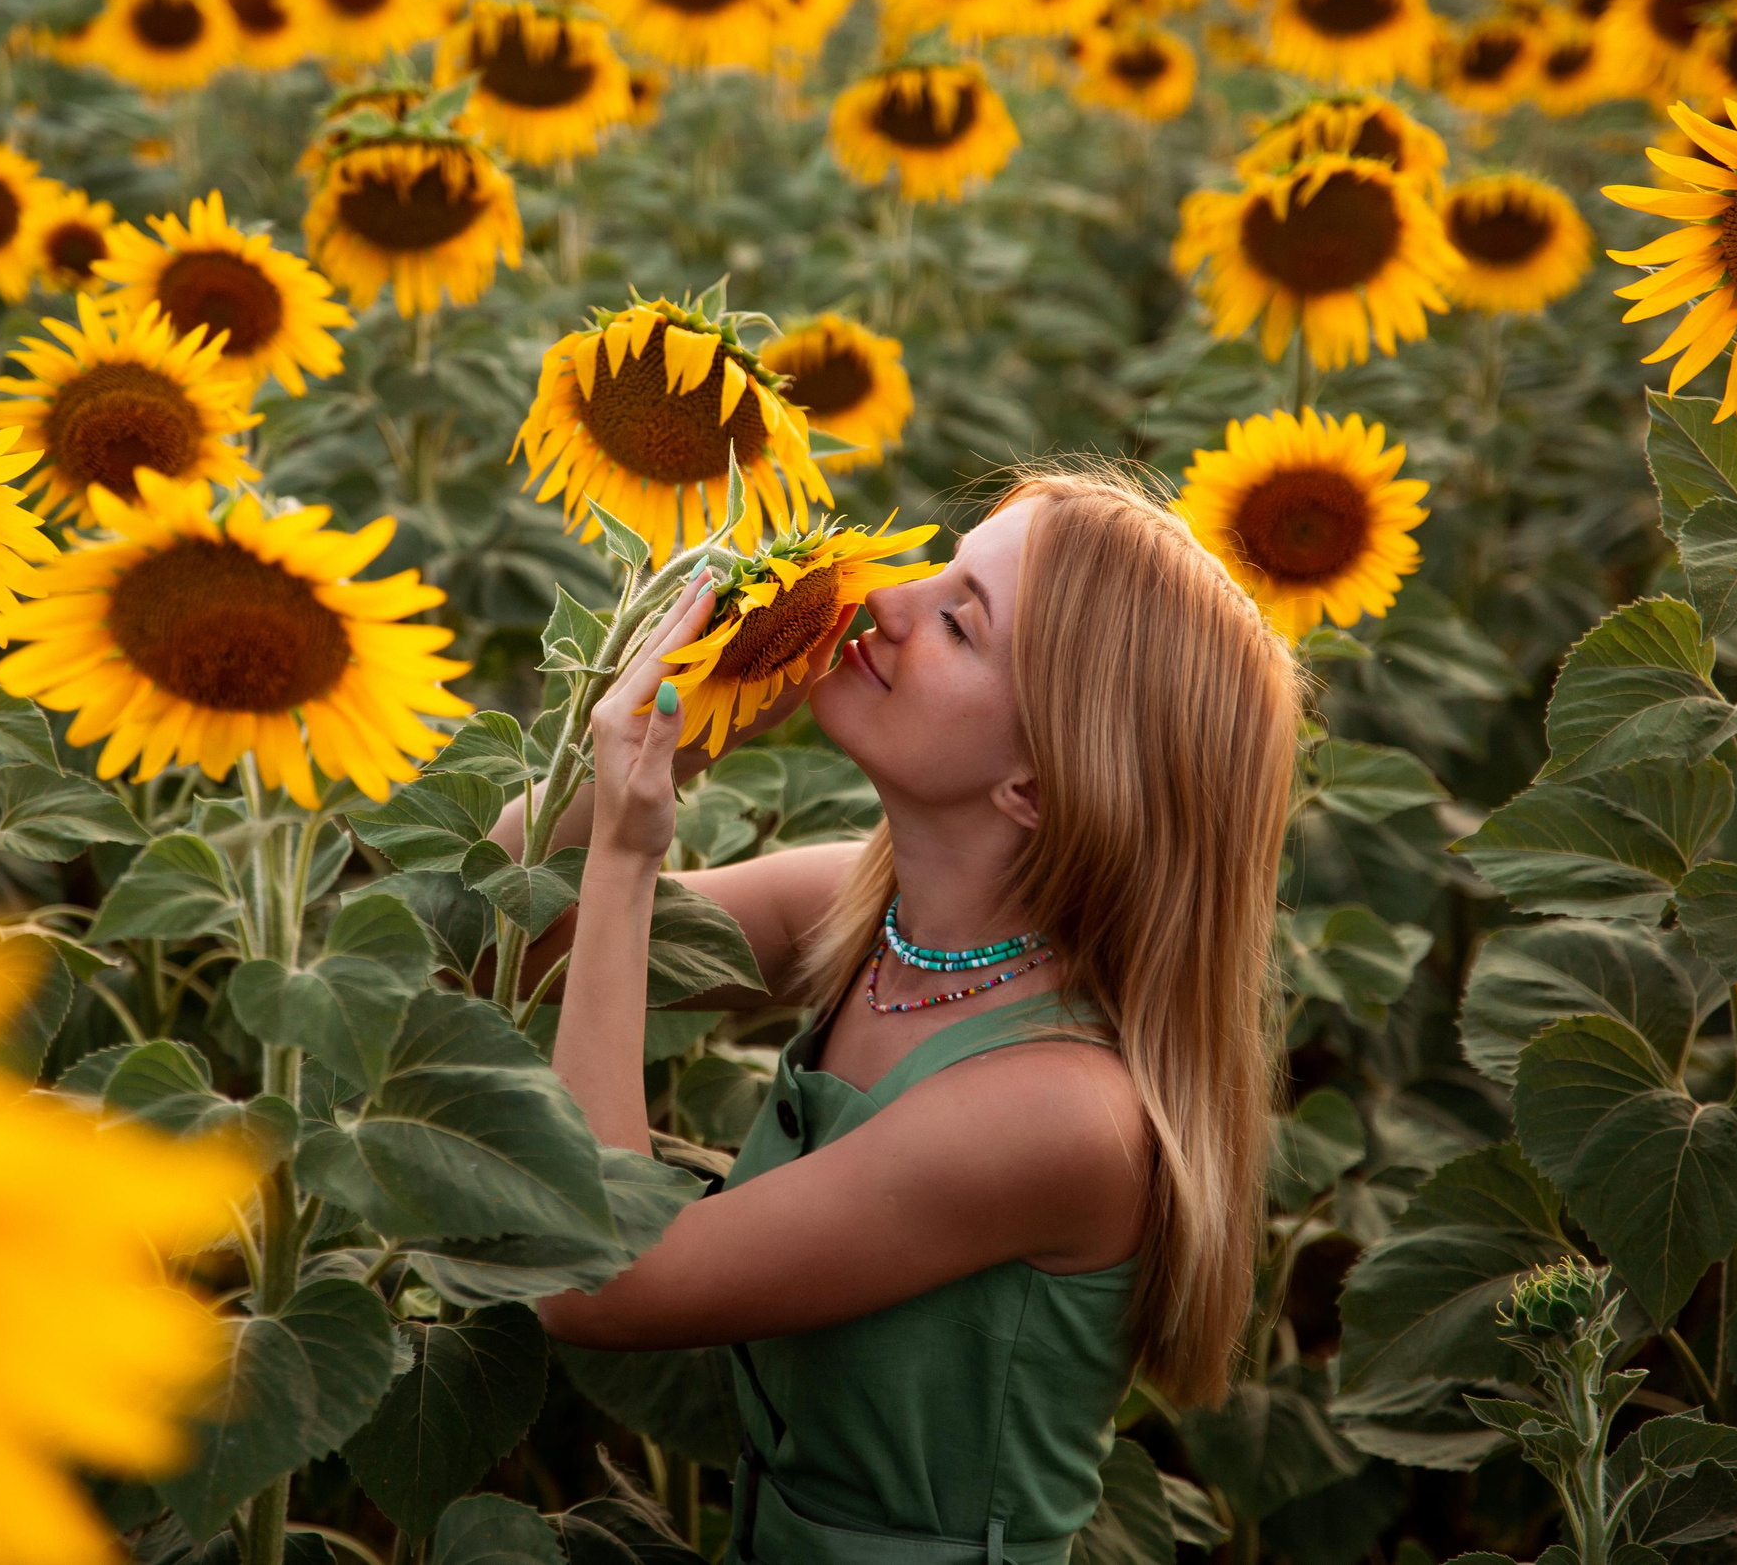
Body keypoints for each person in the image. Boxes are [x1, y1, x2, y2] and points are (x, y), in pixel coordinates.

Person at [495, 464, 1303, 1564]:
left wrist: (632, 857)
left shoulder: (1060, 1112)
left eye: (958, 621)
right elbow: (501, 934)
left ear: (1037, 783)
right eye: (938, 567)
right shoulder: (867, 914)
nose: (886, 599)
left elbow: (598, 1279)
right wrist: (683, 726)